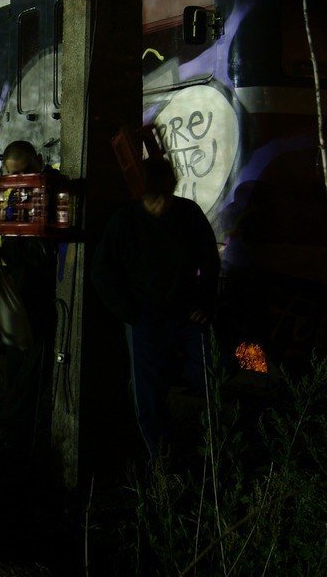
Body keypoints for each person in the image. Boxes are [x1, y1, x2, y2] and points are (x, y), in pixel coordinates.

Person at [91, 156, 220, 461]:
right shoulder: (125, 221)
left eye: (164, 197)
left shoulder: (188, 214)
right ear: (142, 196)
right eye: (153, 199)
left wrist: (204, 302)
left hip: (186, 314)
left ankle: (214, 447)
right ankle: (162, 462)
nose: (160, 205)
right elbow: (103, 272)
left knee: (211, 375)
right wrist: (131, 314)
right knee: (148, 393)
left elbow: (209, 261)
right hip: (146, 318)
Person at [0, 140, 60, 457]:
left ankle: (11, 432)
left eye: (25, 172)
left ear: (38, 163)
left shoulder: (51, 189)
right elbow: (8, 245)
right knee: (21, 371)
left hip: (36, 295)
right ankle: (13, 435)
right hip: (20, 296)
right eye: (14, 174)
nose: (20, 179)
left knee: (30, 372)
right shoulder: (10, 195)